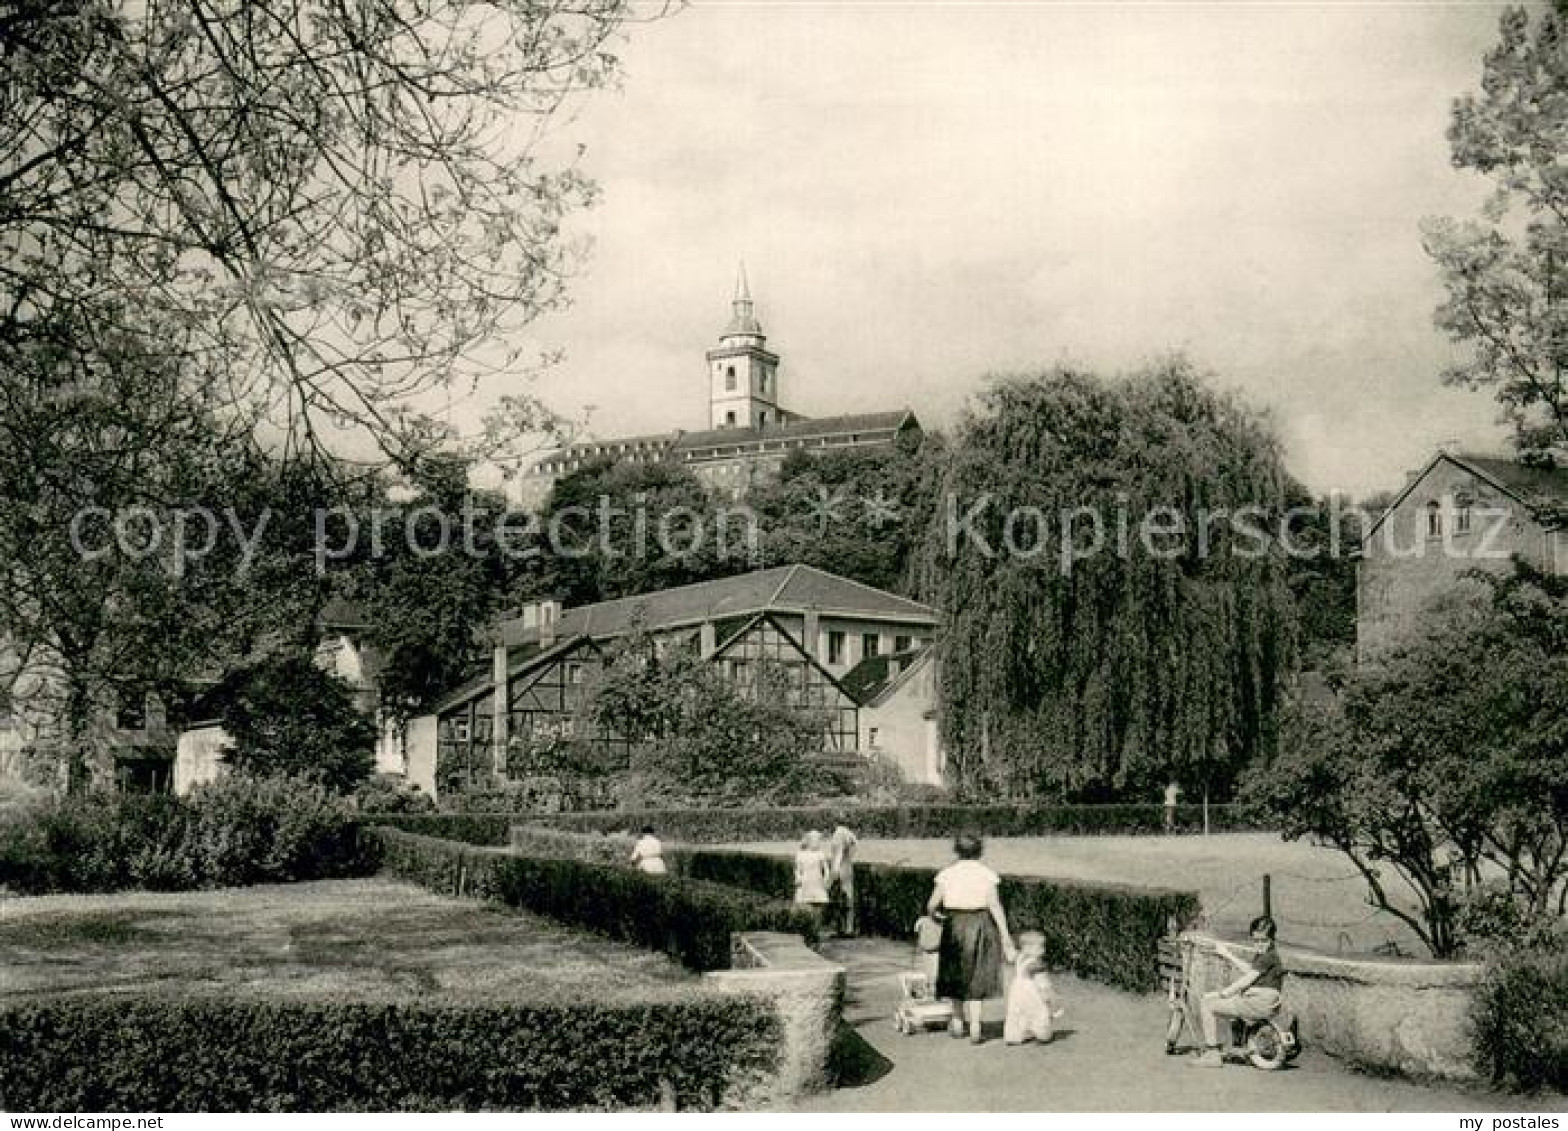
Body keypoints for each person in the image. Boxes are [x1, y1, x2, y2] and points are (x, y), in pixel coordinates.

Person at [928, 833, 1017, 1044]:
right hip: (980, 924)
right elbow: (995, 906)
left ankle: (958, 1021)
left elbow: (932, 904)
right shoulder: (987, 874)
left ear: (956, 851)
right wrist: (1005, 935)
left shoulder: (946, 874)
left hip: (954, 924)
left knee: (954, 971)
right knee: (977, 973)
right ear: (980, 851)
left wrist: (936, 915)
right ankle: (976, 1025)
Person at [1191, 915, 1285, 1068]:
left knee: (1207, 1005)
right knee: (1234, 1004)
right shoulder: (1269, 955)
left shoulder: (1267, 957)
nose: (1259, 944)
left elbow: (1245, 981)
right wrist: (1227, 954)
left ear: (1272, 939)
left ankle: (1212, 1054)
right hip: (1266, 1002)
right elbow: (1250, 970)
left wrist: (1221, 993)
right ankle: (1238, 1045)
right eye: (1256, 940)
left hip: (1259, 1002)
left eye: (1264, 941)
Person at [1003, 930, 1063, 1046]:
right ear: (1027, 948)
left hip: (1018, 989)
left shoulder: (1020, 958)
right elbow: (1042, 982)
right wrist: (1048, 995)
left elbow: (1010, 954)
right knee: (1039, 1011)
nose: (1043, 950)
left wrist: (1007, 943)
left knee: (1018, 1011)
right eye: (1039, 947)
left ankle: (1015, 1035)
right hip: (1032, 990)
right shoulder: (1035, 964)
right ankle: (1043, 1034)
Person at [827, 824, 859, 936]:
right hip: (847, 867)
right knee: (848, 898)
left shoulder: (838, 835)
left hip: (840, 869)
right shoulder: (847, 833)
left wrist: (834, 871)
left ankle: (842, 928)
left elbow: (838, 855)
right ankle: (849, 928)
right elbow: (854, 847)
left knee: (839, 898)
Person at [793, 830, 831, 918]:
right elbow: (797, 869)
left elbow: (826, 869)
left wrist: (826, 879)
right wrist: (798, 877)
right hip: (806, 880)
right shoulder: (801, 854)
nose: (817, 842)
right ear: (809, 841)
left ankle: (817, 922)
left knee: (818, 903)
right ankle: (807, 921)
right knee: (804, 904)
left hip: (817, 880)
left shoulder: (820, 854)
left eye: (818, 840)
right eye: (815, 840)